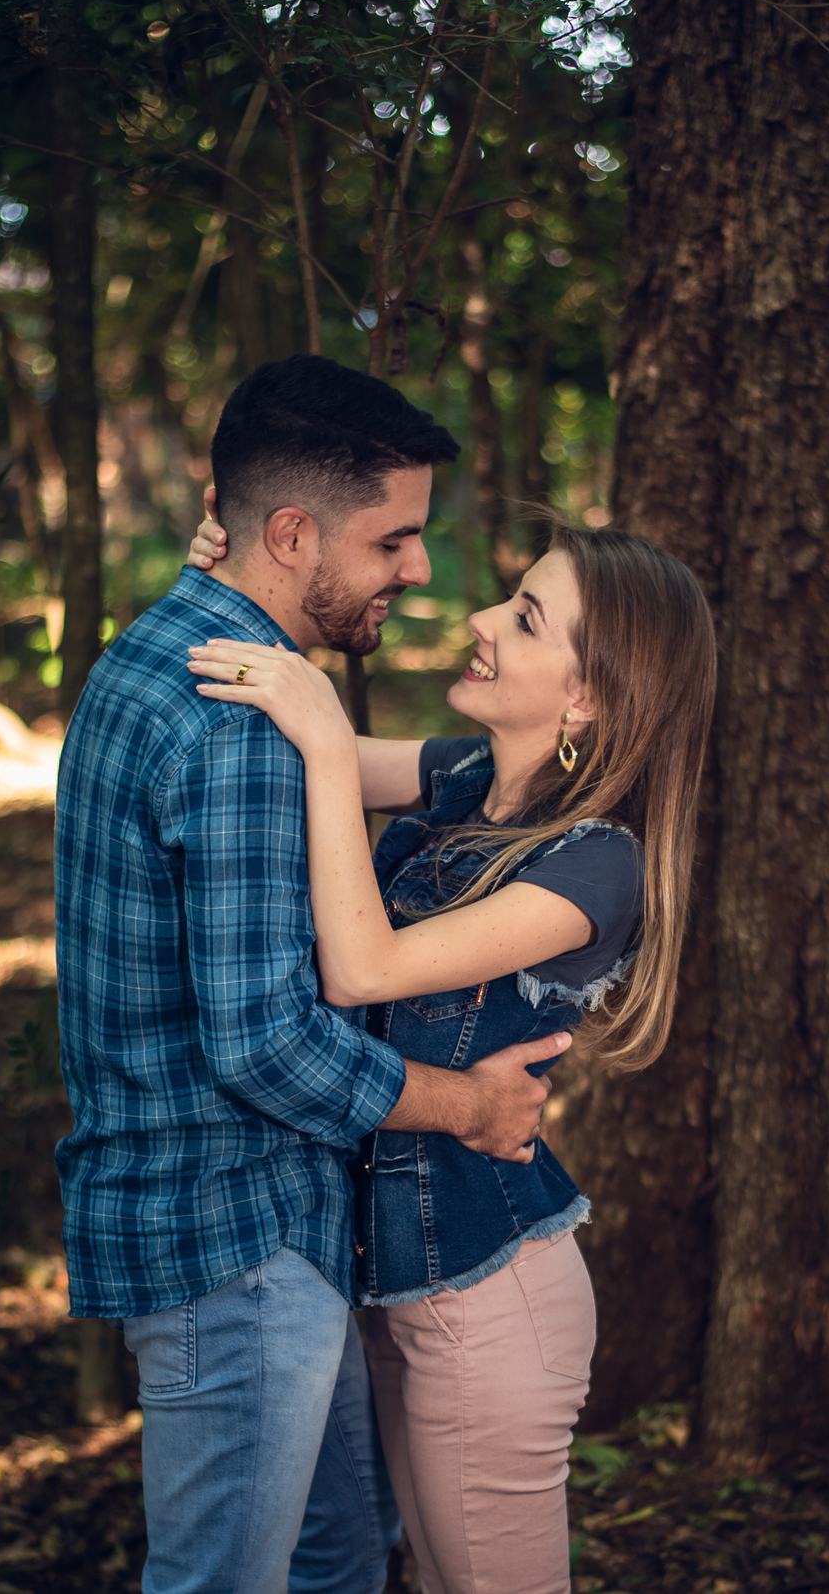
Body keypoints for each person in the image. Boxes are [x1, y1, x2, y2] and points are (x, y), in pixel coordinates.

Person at [54, 356, 570, 1594]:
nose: (421, 571)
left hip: (243, 1222)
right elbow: (268, 1044)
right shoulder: (242, 725)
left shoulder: (166, 649)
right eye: (393, 540)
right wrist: (473, 1106)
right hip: (232, 1237)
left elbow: (439, 772)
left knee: (340, 1559)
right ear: (290, 534)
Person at [183, 502, 718, 1594]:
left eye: (523, 618)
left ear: (585, 697)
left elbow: (364, 968)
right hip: (400, 1284)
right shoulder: (472, 778)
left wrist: (324, 732)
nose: (480, 618)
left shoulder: (597, 867)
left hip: (489, 1299)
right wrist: (230, 586)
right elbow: (282, 732)